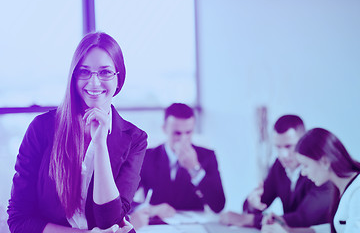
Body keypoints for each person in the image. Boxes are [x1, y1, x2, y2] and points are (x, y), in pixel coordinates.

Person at [7, 32, 148, 233]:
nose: (94, 82)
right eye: (84, 72)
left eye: (105, 72)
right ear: (74, 77)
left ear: (119, 78)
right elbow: (19, 220)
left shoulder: (135, 139)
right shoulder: (42, 128)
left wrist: (100, 146)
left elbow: (111, 221)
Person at [220, 115, 337, 229]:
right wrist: (252, 204)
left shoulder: (320, 170)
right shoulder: (279, 166)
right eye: (278, 147)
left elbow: (304, 218)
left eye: (288, 146)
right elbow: (262, 200)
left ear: (303, 141)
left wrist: (249, 220)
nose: (283, 155)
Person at [130, 103, 225, 229]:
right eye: (177, 133)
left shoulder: (207, 156)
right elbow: (123, 200)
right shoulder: (146, 157)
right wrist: (150, 209)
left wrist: (195, 169)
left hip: (194, 226)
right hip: (157, 226)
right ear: (164, 129)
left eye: (188, 132)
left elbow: (218, 205)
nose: (183, 139)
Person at [262, 128, 360, 233]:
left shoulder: (357, 192)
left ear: (325, 162)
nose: (303, 172)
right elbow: (336, 228)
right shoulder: (340, 187)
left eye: (305, 165)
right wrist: (290, 231)